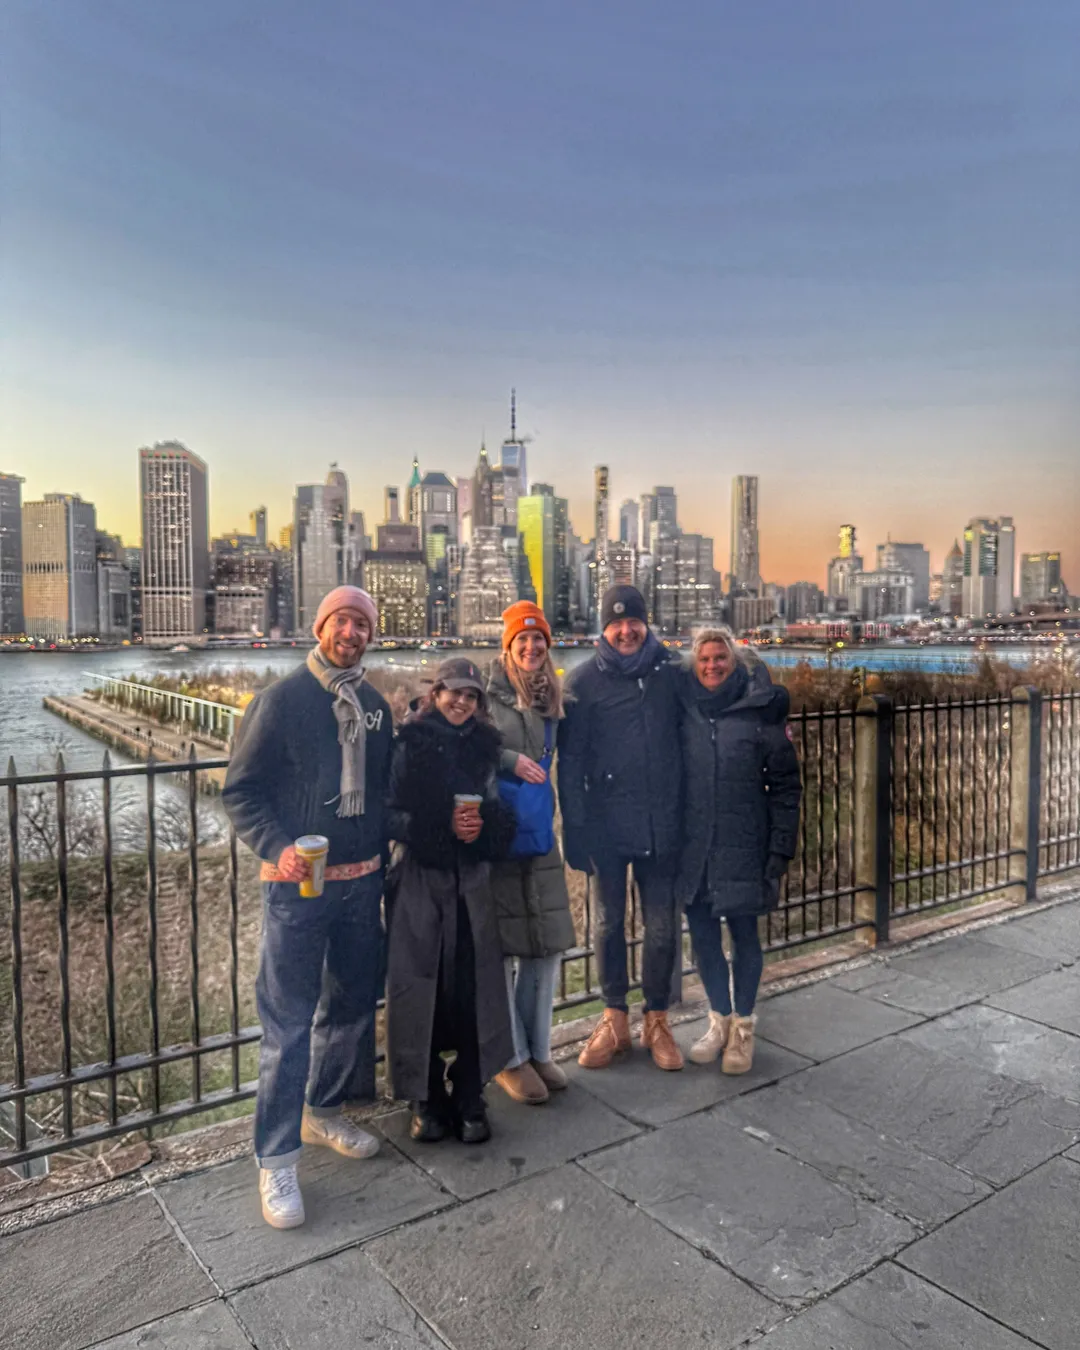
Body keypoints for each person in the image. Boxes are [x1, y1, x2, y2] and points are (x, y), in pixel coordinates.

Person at [223, 585, 392, 1230]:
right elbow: (241, 793)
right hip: (296, 889)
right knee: (289, 1021)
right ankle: (276, 1157)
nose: (351, 631)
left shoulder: (375, 707)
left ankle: (321, 1113)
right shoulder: (281, 701)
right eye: (341, 620)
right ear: (321, 626)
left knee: (349, 1006)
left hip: (361, 885)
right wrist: (277, 846)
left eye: (362, 623)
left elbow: (385, 790)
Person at [385, 657, 516, 1145]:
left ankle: (468, 1091)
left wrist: (484, 830)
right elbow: (389, 814)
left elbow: (497, 811)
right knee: (422, 987)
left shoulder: (484, 747)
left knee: (472, 987)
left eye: (470, 695)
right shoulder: (409, 744)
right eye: (453, 692)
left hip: (472, 881)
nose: (460, 701)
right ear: (435, 693)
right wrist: (438, 828)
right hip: (422, 877)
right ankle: (425, 1097)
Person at [558, 584, 685, 1072]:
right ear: (603, 629)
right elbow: (570, 765)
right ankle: (614, 1019)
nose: (626, 630)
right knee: (608, 924)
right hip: (606, 827)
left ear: (645, 623)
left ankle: (656, 1020)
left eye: (633, 621)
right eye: (616, 623)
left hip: (662, 821)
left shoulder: (671, 673)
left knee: (659, 927)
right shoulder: (584, 681)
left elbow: (719, 693)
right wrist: (576, 831)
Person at [676, 627, 802, 1074]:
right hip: (694, 850)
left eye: (720, 658)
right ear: (695, 664)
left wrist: (779, 850)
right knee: (705, 941)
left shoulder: (760, 713)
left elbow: (786, 787)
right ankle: (719, 1020)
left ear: (733, 661)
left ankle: (744, 1027)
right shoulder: (685, 711)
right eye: (704, 659)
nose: (712, 666)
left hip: (745, 845)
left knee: (745, 937)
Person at [487, 601, 575, 1105]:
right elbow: (463, 746)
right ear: (507, 645)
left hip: (539, 833)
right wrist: (508, 760)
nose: (531, 646)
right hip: (498, 836)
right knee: (502, 948)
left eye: (538, 638)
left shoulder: (553, 698)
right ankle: (510, 1058)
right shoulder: (485, 693)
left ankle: (539, 1049)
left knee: (545, 944)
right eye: (522, 639)